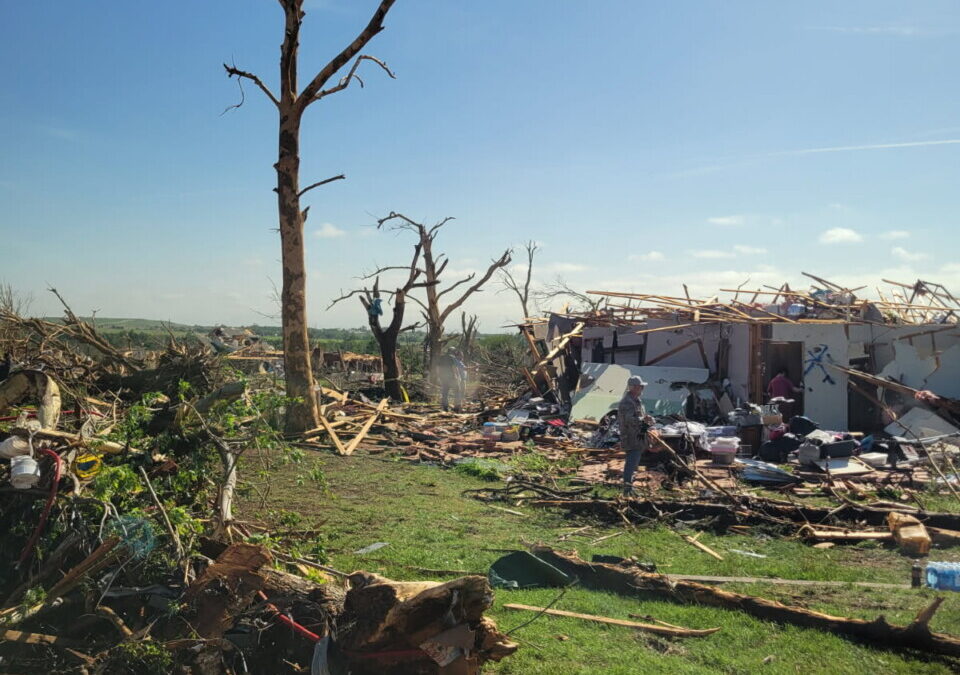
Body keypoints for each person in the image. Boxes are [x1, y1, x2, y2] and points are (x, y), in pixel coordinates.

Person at [618, 375, 659, 495]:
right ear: (634, 388)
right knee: (631, 461)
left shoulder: (637, 401)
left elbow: (640, 417)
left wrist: (647, 419)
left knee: (634, 462)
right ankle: (627, 489)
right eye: (640, 387)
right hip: (631, 437)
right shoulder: (627, 402)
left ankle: (629, 487)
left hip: (638, 436)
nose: (642, 389)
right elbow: (630, 420)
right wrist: (643, 420)